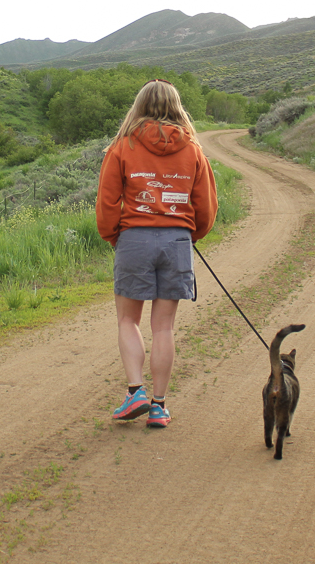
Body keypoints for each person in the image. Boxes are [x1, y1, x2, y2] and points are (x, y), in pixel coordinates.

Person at [96, 79, 218, 429]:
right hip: (177, 241)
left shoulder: (122, 147)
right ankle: (159, 407)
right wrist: (189, 235)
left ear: (139, 106)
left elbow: (107, 203)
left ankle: (135, 390)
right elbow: (206, 206)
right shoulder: (194, 150)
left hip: (134, 238)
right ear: (177, 105)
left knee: (127, 320)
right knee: (163, 327)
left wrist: (114, 237)